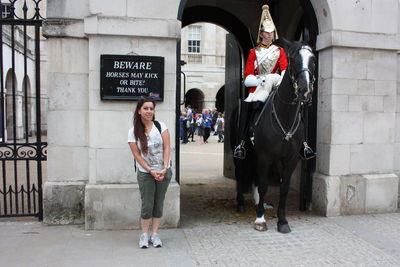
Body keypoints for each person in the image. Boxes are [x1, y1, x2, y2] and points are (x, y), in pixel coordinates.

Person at [233, 4, 288, 159]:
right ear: (261, 34)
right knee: (247, 107)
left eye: (271, 32)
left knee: (298, 105)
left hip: (276, 86)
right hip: (258, 88)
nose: (269, 35)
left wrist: (277, 80)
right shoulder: (253, 52)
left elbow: (284, 69)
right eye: (266, 32)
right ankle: (242, 143)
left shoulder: (280, 51)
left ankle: (304, 144)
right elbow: (248, 77)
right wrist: (263, 79)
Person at [128, 97, 172, 249]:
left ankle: (155, 234)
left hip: (163, 171)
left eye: (151, 108)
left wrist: (165, 168)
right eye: (145, 108)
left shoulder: (161, 126)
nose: (149, 111)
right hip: (146, 173)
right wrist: (151, 171)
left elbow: (167, 148)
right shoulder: (133, 132)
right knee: (147, 204)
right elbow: (137, 156)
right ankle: (144, 235)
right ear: (139, 111)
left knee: (158, 203)